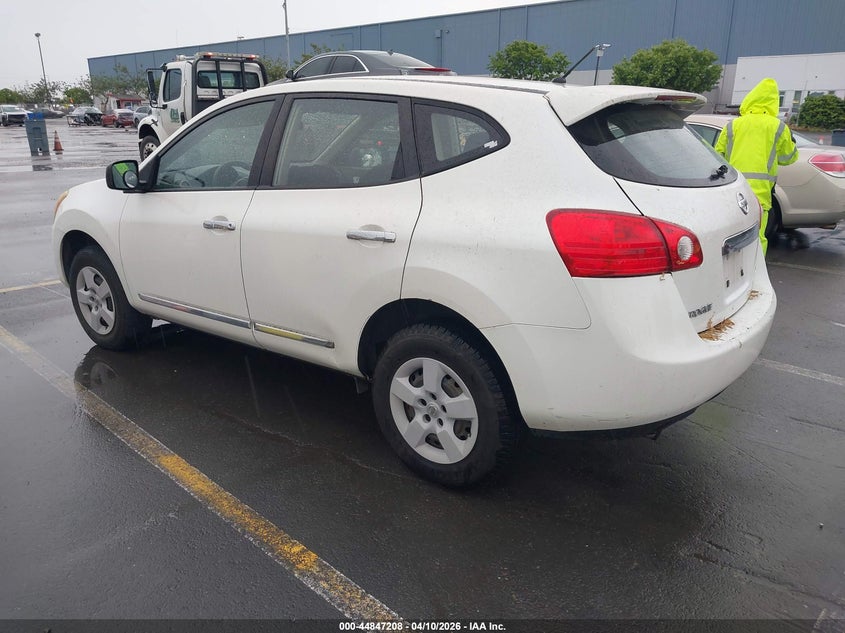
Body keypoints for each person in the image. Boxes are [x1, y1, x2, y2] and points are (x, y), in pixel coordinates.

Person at [714, 78, 797, 255]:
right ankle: (753, 269)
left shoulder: (733, 125)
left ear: (750, 99)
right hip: (760, 193)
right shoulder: (778, 127)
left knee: (730, 236)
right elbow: (788, 158)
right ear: (774, 102)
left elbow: (717, 155)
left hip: (733, 190)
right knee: (756, 237)